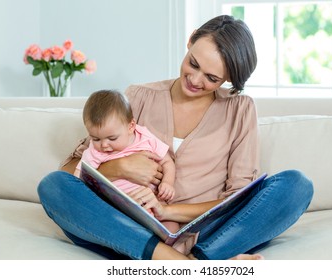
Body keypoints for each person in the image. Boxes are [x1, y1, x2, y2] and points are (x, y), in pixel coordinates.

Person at [37, 15, 313, 260]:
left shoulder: (240, 108)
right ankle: (189, 265)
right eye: (193, 63)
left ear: (228, 79)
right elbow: (70, 175)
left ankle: (179, 259)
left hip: (206, 231)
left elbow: (237, 198)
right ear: (190, 40)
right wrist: (116, 168)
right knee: (53, 186)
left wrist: (169, 211)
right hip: (131, 226)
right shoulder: (138, 96)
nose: (194, 80)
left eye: (212, 78)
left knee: (296, 186)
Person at [73, 89, 188, 253]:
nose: (104, 145)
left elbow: (167, 161)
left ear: (131, 126)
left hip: (153, 204)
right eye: (96, 139)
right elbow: (78, 180)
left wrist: (168, 183)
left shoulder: (145, 138)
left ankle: (171, 256)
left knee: (172, 228)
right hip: (119, 208)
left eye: (112, 138)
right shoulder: (94, 152)